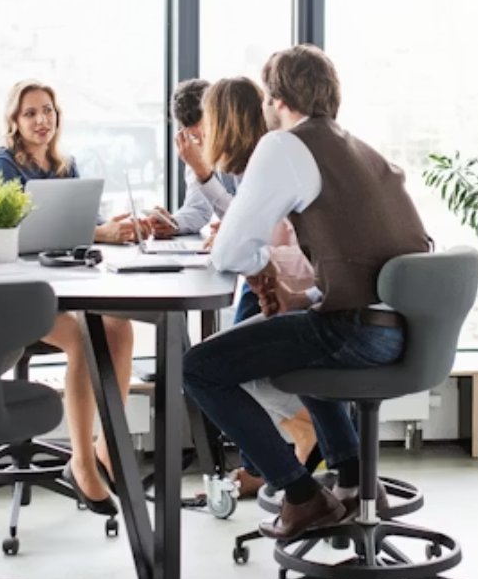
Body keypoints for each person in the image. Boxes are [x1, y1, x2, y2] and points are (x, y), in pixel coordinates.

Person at [183, 45, 431, 540]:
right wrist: (303, 297)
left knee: (198, 368)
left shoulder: (286, 145)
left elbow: (229, 254)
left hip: (358, 330)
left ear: (275, 99)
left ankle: (301, 496)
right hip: (404, 328)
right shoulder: (359, 148)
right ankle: (355, 476)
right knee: (298, 333)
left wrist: (260, 267)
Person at [0, 79, 137, 515]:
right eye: (30, 112)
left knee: (118, 327)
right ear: (14, 120)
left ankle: (107, 446)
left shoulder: (63, 163)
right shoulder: (2, 164)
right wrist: (97, 231)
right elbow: (25, 232)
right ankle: (82, 463)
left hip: (62, 288)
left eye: (47, 110)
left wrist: (111, 225)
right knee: (84, 337)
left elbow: (80, 221)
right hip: (15, 296)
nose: (41, 120)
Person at [195, 76, 319, 497]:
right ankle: (299, 445)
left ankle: (289, 461)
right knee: (235, 347)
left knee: (210, 367)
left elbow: (285, 251)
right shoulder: (263, 163)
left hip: (306, 293)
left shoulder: (269, 165)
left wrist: (251, 253)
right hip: (303, 289)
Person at [145, 78, 236, 239]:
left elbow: (244, 220)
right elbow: (198, 209)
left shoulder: (246, 148)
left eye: (206, 131)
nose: (202, 143)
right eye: (194, 136)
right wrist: (173, 223)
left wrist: (204, 174)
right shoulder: (196, 150)